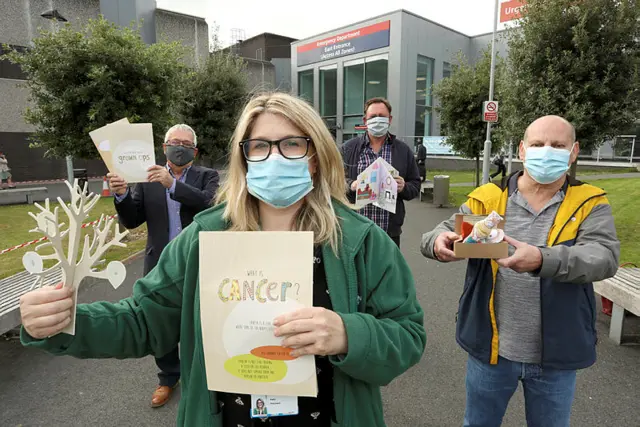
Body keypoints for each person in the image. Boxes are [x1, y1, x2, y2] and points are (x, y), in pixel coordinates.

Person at [18, 92, 426, 427]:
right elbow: (144, 319)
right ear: (244, 157)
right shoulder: (205, 238)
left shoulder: (361, 242)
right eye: (260, 146)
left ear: (314, 156)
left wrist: (348, 334)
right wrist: (66, 323)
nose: (275, 156)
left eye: (292, 143)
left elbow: (407, 335)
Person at [420, 115, 620, 427]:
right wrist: (438, 243)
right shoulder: (490, 198)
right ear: (522, 150)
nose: (547, 151)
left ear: (574, 151)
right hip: (491, 350)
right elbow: (437, 234)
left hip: (555, 356)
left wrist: (543, 260)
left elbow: (604, 257)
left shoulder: (588, 202)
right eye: (538, 144)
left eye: (558, 145)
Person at [107, 123, 220, 408]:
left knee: (203, 320)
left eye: (185, 143)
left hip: (201, 262)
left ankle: (206, 374)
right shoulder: (146, 179)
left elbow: (211, 205)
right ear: (164, 147)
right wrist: (120, 194)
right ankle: (168, 377)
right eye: (174, 142)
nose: (179, 147)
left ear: (194, 150)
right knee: (160, 323)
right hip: (159, 264)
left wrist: (173, 186)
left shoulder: (208, 176)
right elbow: (132, 219)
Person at [342, 98, 421, 248]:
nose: (377, 120)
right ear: (365, 120)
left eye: (382, 116)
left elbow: (415, 185)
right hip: (355, 230)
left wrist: (403, 187)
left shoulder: (403, 151)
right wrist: (351, 185)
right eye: (373, 117)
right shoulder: (348, 149)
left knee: (388, 271)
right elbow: (333, 181)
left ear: (390, 119)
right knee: (357, 271)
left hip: (389, 232)